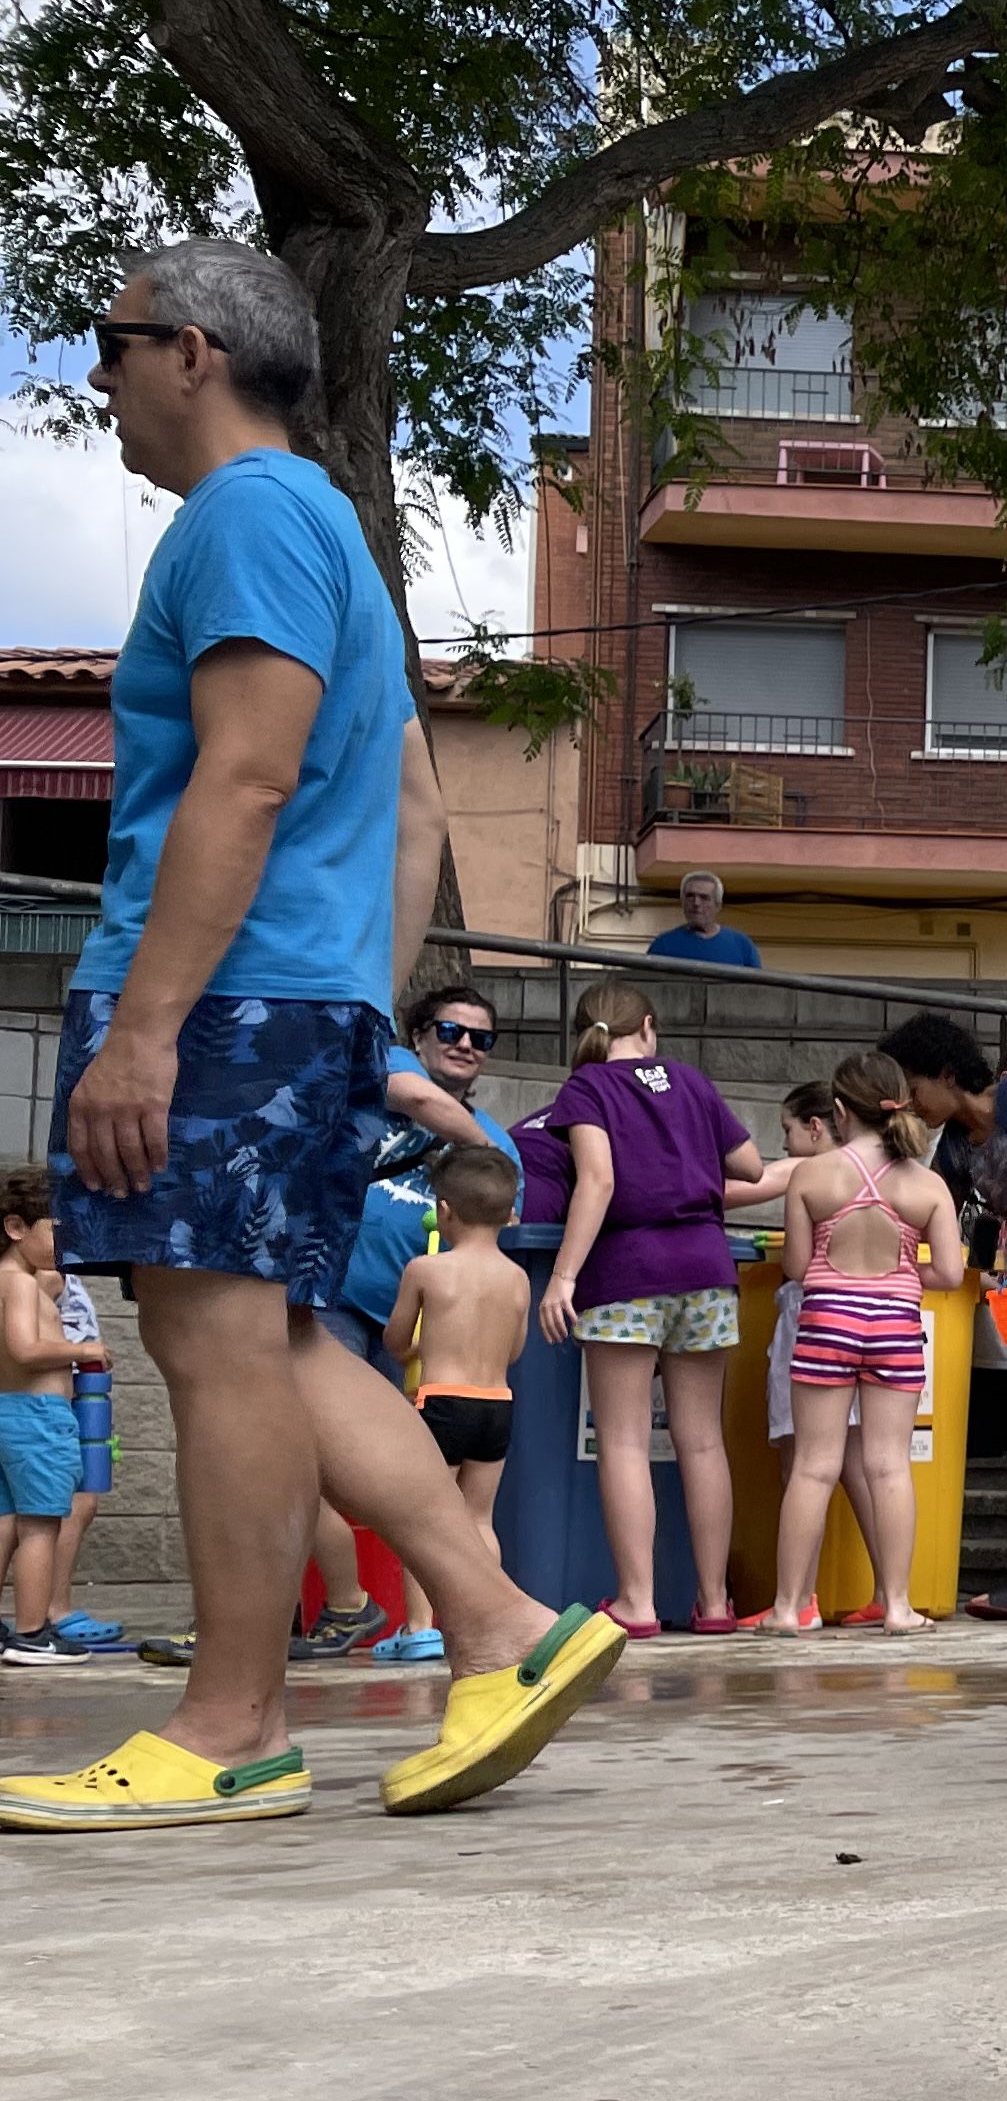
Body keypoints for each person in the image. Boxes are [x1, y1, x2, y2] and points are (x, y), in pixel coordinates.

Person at [0, 236, 618, 1835]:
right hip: (291, 998)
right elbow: (408, 804)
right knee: (268, 1340)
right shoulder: (331, 531)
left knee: (217, 1347)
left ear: (192, 350)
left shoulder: (248, 516)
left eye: (113, 340)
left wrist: (148, 1030)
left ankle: (228, 1727)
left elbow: (248, 778)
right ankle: (502, 1625)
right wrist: (359, 1005)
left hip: (212, 1000)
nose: (100, 374)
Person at [537, 979, 764, 1637]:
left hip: (627, 1273)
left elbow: (599, 1181)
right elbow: (747, 1165)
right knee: (701, 1441)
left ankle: (636, 1602)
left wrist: (563, 1277)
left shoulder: (586, 1089)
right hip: (707, 1270)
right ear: (648, 1024)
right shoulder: (692, 1081)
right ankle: (715, 1601)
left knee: (626, 1442)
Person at [315, 981, 522, 1658]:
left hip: (415, 1342)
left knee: (408, 1484)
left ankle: (422, 1621)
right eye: (452, 1031)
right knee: (319, 1458)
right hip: (340, 1297)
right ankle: (329, 1603)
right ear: (420, 1033)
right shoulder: (393, 1068)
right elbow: (420, 1100)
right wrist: (474, 1158)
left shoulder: (498, 1148)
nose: (466, 1045)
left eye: (481, 1039)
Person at [885, 1013, 1007, 1622]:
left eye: (915, 1088)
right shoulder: (953, 1151)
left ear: (949, 1073)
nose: (913, 1104)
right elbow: (933, 1217)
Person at [766, 1053, 964, 1636]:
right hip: (896, 1327)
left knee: (812, 1467)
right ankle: (899, 1607)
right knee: (888, 1467)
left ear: (839, 1111)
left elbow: (797, 1266)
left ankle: (785, 1609)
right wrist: (902, 1273)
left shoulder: (812, 1175)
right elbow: (951, 1274)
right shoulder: (927, 1185)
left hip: (827, 1321)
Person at [375, 1145, 530, 1656]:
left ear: (443, 1210)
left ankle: (420, 1629)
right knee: (480, 1519)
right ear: (510, 1213)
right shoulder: (518, 1278)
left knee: (425, 1519)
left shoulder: (426, 1270)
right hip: (496, 1404)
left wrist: (421, 1347)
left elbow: (396, 1343)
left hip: (441, 1401)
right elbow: (514, 1349)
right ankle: (492, 1621)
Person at [0, 1172, 90, 1661]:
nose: (68, 1242)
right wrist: (83, 1347)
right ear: (16, 1227)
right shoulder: (17, 1285)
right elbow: (26, 1348)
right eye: (59, 1228)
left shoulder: (18, 1280)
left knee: (5, 1520)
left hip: (10, 1411)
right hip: (38, 1416)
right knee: (41, 1524)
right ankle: (33, 1632)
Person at [46, 1267, 121, 1648]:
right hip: (54, 1399)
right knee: (73, 1503)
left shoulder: (56, 1272)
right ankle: (53, 1608)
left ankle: (49, 1607)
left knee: (80, 1502)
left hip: (75, 1396)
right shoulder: (39, 1277)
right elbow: (21, 1339)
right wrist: (82, 1352)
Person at [644, 871, 762, 973]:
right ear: (682, 902)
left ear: (718, 905)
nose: (696, 903)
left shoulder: (742, 945)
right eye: (690, 896)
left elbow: (759, 990)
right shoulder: (664, 945)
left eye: (704, 897)